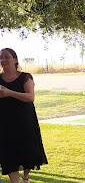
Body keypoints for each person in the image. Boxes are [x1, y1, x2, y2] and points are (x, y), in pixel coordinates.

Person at [0, 48, 48, 183]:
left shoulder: (25, 77)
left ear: (15, 59)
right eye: (1, 57)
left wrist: (9, 92)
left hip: (24, 120)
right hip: (4, 122)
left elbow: (30, 97)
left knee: (28, 150)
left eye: (7, 57)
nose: (3, 60)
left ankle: (26, 177)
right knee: (7, 152)